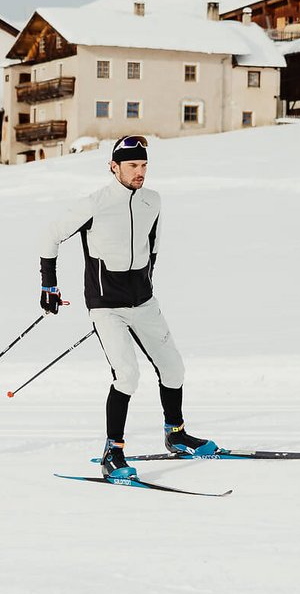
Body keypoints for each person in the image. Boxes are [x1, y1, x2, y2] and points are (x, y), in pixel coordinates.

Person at [38, 136, 218, 480]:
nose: (140, 173)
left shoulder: (153, 201)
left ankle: (176, 434)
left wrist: (145, 284)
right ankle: (113, 452)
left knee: (174, 369)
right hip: (107, 307)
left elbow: (153, 247)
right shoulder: (95, 204)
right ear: (114, 167)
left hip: (144, 301)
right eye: (133, 166)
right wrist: (49, 285)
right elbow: (50, 235)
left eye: (144, 166)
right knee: (128, 375)